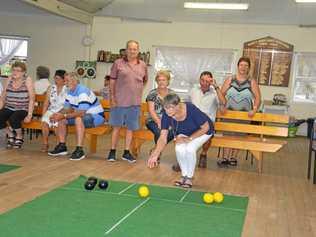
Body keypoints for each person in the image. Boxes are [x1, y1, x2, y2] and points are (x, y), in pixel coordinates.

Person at [148, 93, 214, 188]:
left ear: (178, 105)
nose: (168, 111)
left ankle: (189, 178)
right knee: (179, 148)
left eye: (171, 108)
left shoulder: (190, 109)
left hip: (203, 131)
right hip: (185, 132)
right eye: (166, 108)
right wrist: (155, 154)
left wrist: (189, 139)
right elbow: (163, 137)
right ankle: (184, 176)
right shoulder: (167, 114)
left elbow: (206, 127)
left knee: (190, 148)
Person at [107, 40, 148, 163]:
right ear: (126, 50)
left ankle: (126, 152)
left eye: (135, 49)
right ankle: (112, 151)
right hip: (119, 102)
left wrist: (137, 90)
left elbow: (144, 80)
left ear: (138, 51)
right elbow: (112, 81)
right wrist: (113, 98)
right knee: (116, 127)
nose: (132, 51)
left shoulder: (143, 65)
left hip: (134, 103)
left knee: (130, 128)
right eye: (130, 49)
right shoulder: (118, 63)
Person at [48, 72, 105, 160]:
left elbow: (81, 112)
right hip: (82, 115)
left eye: (67, 81)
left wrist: (64, 116)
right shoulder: (69, 91)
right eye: (65, 81)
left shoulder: (82, 91)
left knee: (78, 119)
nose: (65, 83)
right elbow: (67, 108)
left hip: (96, 117)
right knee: (60, 119)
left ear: (75, 81)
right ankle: (62, 146)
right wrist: (56, 114)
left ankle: (79, 150)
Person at [218, 56, 261, 167]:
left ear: (249, 68)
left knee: (238, 136)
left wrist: (254, 109)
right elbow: (221, 94)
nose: (243, 67)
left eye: (246, 65)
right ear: (237, 66)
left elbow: (257, 98)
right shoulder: (230, 79)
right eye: (241, 65)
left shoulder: (252, 81)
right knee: (227, 135)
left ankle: (233, 158)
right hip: (228, 114)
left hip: (244, 115)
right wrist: (222, 105)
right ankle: (225, 158)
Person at [188, 71, 226, 168]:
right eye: (202, 80)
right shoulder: (193, 90)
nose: (204, 83)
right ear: (199, 80)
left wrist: (216, 87)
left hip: (207, 122)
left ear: (211, 82)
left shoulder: (215, 92)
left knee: (208, 135)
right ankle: (184, 158)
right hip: (193, 121)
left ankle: (203, 154)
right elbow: (186, 104)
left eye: (207, 81)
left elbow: (223, 102)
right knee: (183, 133)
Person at [0, 61, 35, 149]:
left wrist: (30, 115)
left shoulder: (27, 80)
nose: (15, 72)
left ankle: (19, 136)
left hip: (23, 108)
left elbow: (32, 99)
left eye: (18, 71)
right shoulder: (9, 79)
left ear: (23, 72)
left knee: (14, 118)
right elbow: (3, 96)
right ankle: (10, 134)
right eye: (14, 70)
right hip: (9, 107)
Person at [146, 70, 174, 160]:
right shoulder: (152, 93)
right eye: (159, 80)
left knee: (173, 132)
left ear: (168, 81)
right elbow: (151, 110)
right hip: (152, 120)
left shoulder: (172, 94)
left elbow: (174, 110)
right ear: (157, 81)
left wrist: (169, 124)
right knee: (159, 131)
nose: (161, 82)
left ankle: (156, 150)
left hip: (169, 120)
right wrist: (159, 122)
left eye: (164, 80)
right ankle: (157, 154)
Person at [40, 70, 67, 152]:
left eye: (58, 79)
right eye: (55, 78)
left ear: (63, 80)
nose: (56, 81)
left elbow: (68, 105)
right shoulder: (51, 88)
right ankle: (45, 143)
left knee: (56, 124)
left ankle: (59, 144)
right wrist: (43, 114)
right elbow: (46, 103)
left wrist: (60, 114)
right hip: (51, 110)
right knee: (44, 121)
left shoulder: (67, 89)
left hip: (62, 111)